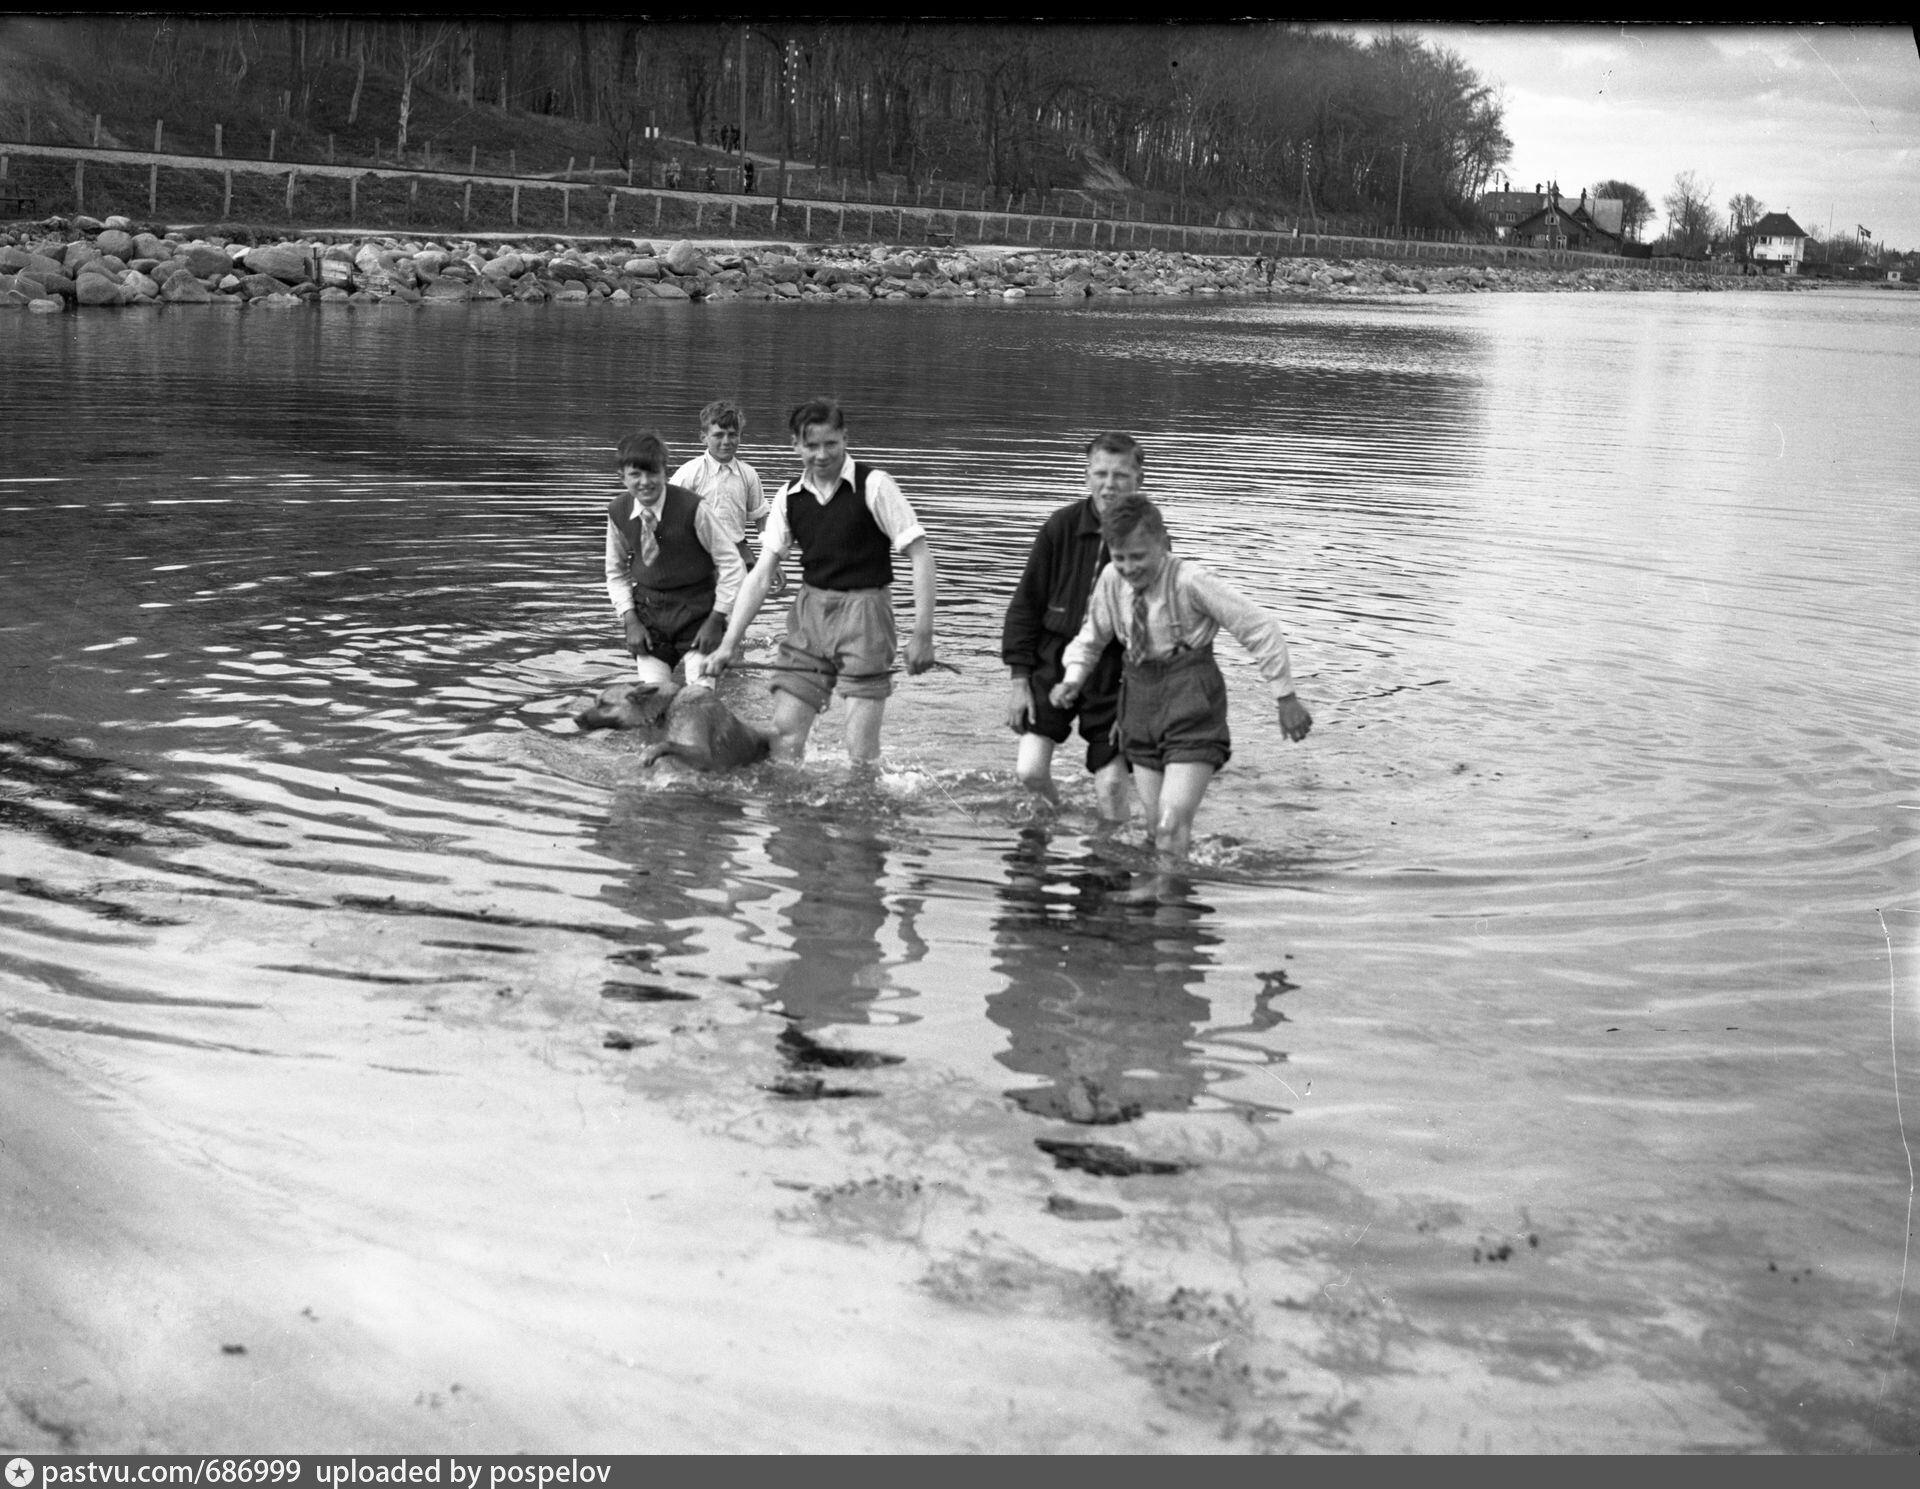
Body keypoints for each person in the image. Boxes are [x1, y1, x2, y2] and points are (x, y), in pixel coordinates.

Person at [1051, 491, 1311, 900]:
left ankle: (1167, 906)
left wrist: (1285, 697)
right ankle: (1165, 906)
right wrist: (1073, 678)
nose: (1129, 568)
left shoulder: (1190, 581)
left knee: (1172, 821)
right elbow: (1092, 637)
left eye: (1139, 557)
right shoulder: (1111, 581)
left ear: (1163, 542)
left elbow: (1260, 628)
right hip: (1139, 707)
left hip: (1192, 704)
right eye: (1120, 558)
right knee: (1157, 826)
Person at [707, 398, 938, 765]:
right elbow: (761, 575)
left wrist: (922, 634)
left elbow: (921, 556)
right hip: (810, 615)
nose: (822, 455)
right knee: (785, 737)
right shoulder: (789, 496)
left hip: (867, 615)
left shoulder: (874, 485)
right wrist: (727, 644)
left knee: (860, 753)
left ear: (845, 438)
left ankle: (862, 794)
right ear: (795, 445)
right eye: (811, 445)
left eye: (831, 443)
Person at [1001, 431, 1142, 824]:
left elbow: (1154, 632)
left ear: (1139, 479)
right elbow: (1025, 606)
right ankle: (1054, 825)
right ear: (1086, 475)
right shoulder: (1060, 526)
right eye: (1100, 474)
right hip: (1053, 661)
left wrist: (1136, 703)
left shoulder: (1149, 538)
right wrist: (1019, 681)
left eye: (1120, 475)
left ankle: (1107, 855)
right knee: (1029, 771)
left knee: (1111, 787)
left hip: (1115, 673)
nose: (1109, 485)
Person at [603, 431, 746, 684]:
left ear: (665, 472)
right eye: (635, 474)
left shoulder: (693, 508)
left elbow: (732, 565)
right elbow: (616, 571)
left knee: (699, 693)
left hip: (698, 611)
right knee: (653, 694)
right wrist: (630, 620)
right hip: (649, 614)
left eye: (653, 473)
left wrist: (717, 619)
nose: (645, 482)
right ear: (622, 477)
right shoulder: (618, 511)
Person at [669, 399, 787, 598]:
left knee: (740, 606)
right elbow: (667, 516)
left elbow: (761, 519)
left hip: (736, 551)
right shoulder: (689, 473)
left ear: (740, 436)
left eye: (732, 435)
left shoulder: (748, 474)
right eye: (718, 435)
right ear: (703, 437)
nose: (726, 441)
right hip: (697, 553)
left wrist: (773, 560)